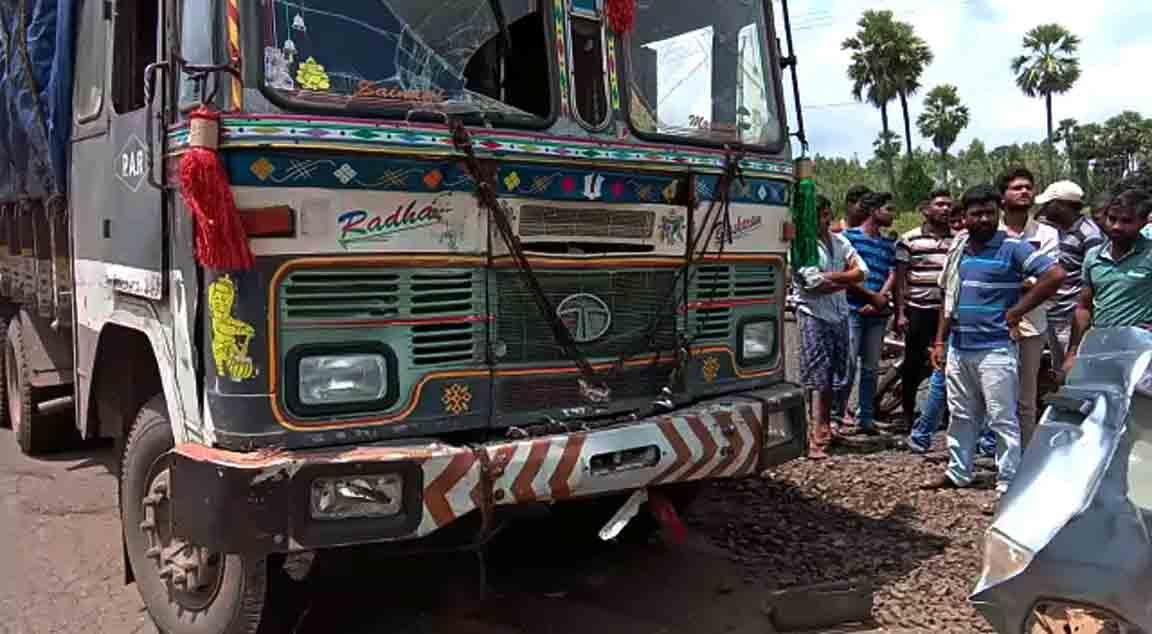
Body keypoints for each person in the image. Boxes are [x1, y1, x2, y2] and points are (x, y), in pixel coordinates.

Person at [924, 184, 1065, 499]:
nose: (984, 219)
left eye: (990, 213)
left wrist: (1016, 311)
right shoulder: (960, 248)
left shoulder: (1013, 247)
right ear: (965, 217)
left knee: (1002, 416)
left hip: (996, 349)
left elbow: (1055, 276)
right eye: (977, 214)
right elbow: (949, 298)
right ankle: (959, 471)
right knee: (960, 413)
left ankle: (1008, 481)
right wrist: (939, 342)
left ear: (998, 213)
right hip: (960, 347)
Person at [795, 195, 868, 459]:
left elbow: (863, 271)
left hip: (838, 313)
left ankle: (824, 427)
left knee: (837, 373)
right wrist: (846, 280)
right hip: (814, 314)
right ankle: (809, 435)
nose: (823, 221)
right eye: (817, 216)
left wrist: (832, 279)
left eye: (826, 214)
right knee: (815, 376)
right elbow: (813, 286)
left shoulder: (840, 241)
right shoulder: (803, 246)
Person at [997, 167, 1060, 446]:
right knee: (996, 394)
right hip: (994, 323)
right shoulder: (990, 231)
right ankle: (1000, 453)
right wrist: (1025, 280)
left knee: (1026, 395)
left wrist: (1007, 279)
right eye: (1016, 187)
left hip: (1033, 323)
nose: (1024, 191)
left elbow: (1047, 279)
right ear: (1002, 196)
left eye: (1028, 187)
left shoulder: (1046, 233)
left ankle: (1026, 454)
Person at [1063, 188, 1152, 373]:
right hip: (1101, 348)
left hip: (1142, 353)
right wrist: (1072, 353)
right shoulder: (1093, 258)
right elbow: (1083, 308)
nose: (1116, 226)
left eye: (1126, 221)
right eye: (1112, 219)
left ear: (1144, 222)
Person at [893, 190, 954, 451]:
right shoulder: (909, 240)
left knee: (950, 365)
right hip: (918, 309)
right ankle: (909, 413)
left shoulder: (958, 240)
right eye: (940, 204)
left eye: (949, 205)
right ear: (926, 209)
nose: (945, 209)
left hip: (949, 313)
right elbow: (900, 278)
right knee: (913, 363)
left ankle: (947, 416)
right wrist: (900, 313)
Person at [837, 192, 897, 435]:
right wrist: (870, 297)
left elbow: (892, 274)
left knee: (871, 368)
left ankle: (866, 417)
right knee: (847, 365)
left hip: (877, 315)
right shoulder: (847, 239)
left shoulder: (887, 244)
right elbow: (844, 272)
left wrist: (879, 299)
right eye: (888, 209)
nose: (893, 215)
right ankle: (837, 416)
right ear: (874, 211)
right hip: (852, 310)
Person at [1037, 180, 1104, 375]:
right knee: (1059, 369)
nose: (1044, 208)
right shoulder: (1054, 230)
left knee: (1073, 371)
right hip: (1052, 313)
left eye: (1048, 204)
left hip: (1070, 318)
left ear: (1062, 205)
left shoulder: (1089, 234)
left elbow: (1092, 280)